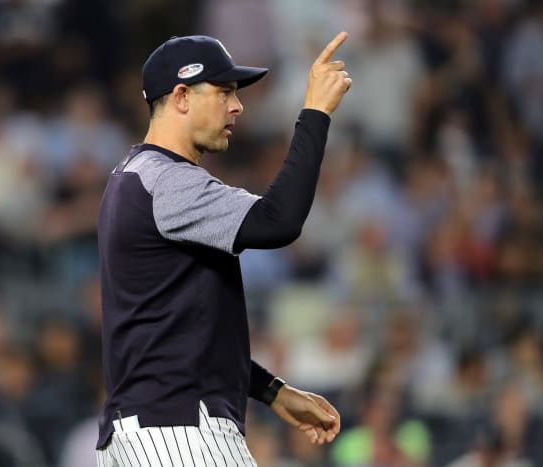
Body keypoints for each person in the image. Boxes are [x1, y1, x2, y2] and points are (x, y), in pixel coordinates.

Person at [95, 32, 352, 466]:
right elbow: (278, 222)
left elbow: (181, 331)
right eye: (224, 92)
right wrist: (315, 113)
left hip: (145, 434)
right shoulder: (166, 180)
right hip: (178, 432)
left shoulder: (132, 177)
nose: (237, 106)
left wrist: (271, 390)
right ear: (181, 96)